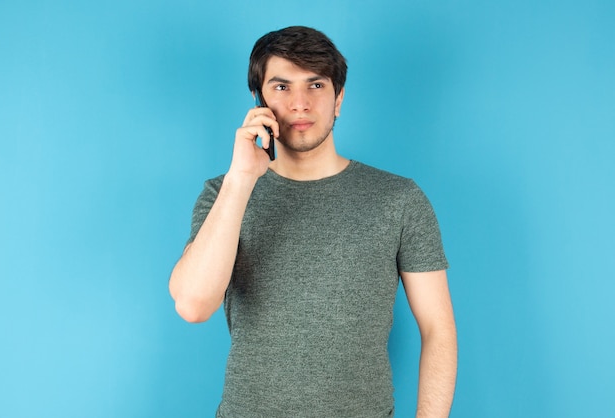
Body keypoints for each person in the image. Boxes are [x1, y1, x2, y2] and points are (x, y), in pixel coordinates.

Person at [169, 26, 457, 418]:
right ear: (259, 100)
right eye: (282, 87)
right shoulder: (224, 194)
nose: (300, 103)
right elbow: (193, 305)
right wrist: (241, 180)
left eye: (316, 85)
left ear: (338, 99)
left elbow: (438, 330)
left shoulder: (399, 199)